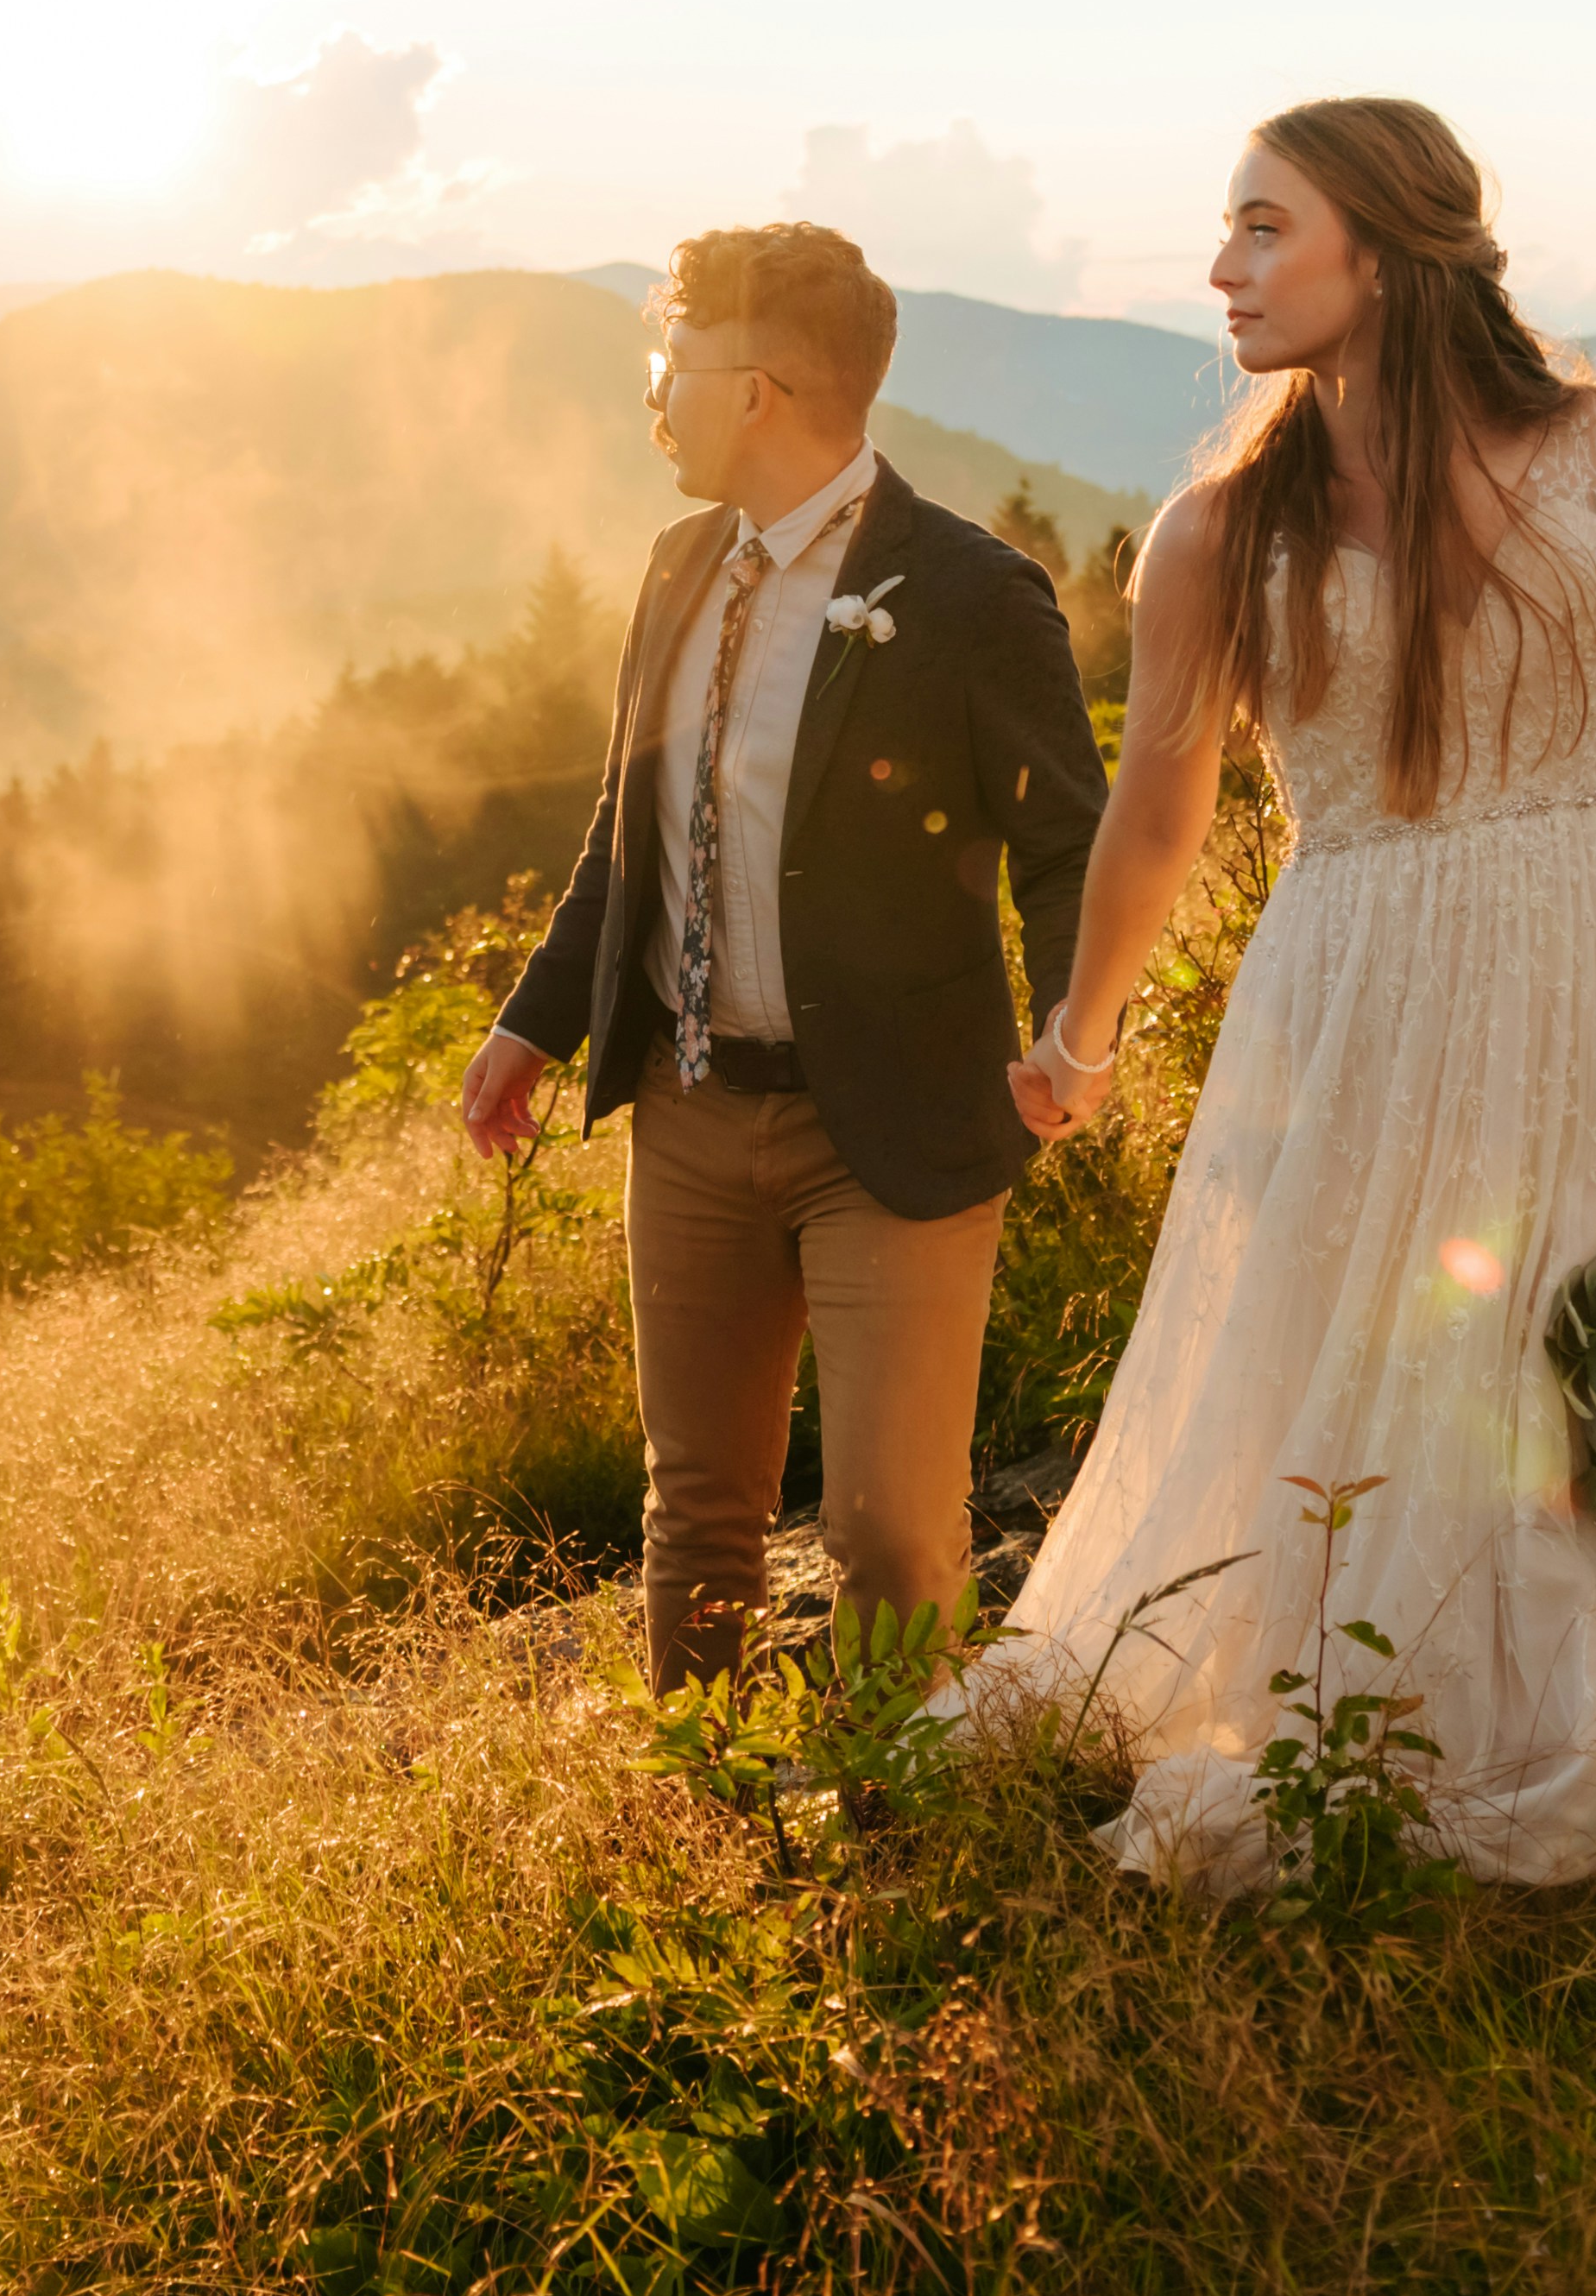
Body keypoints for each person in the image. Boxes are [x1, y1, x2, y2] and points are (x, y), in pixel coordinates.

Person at [945, 98, 1596, 1914]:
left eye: (1264, 227)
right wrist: (1082, 1033)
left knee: (1556, 1357)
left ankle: (1578, 1739)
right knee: (1353, 1360)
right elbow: (1158, 811)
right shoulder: (1217, 526)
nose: (1223, 266)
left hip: (1589, 963)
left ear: (1387, 244)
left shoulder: (1590, 446)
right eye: (1229, 229)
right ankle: (1348, 1727)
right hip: (1352, 989)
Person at [461, 223, 1113, 1692]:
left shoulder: (968, 595)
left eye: (671, 363)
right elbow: (628, 832)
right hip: (690, 1121)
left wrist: (1077, 1027)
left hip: (892, 1127)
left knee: (889, 1536)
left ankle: (903, 1827)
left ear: (758, 388)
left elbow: (1070, 841)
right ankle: (707, 1823)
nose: (652, 392)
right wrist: (537, 1023)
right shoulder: (677, 567)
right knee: (695, 1518)